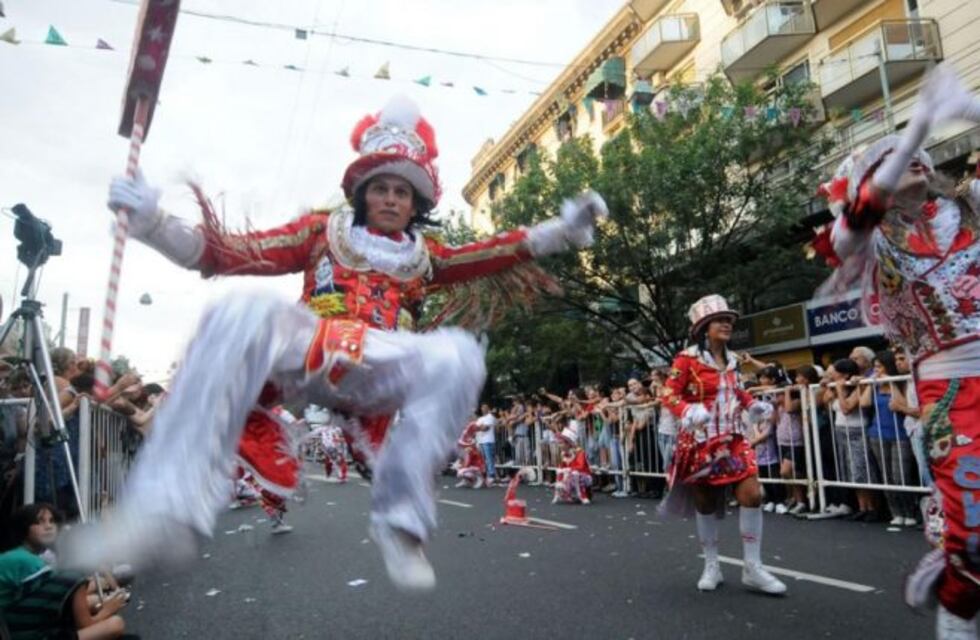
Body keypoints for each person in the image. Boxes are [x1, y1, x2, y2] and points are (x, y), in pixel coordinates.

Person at [67, 95, 606, 592]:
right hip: (312, 351)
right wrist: (154, 223)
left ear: (415, 201)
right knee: (240, 309)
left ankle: (402, 522)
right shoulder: (323, 232)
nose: (390, 198)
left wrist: (560, 231)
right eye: (381, 188)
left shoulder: (426, 255)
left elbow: (494, 250)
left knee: (460, 354)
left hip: (380, 366)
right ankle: (164, 509)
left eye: (401, 191)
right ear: (362, 192)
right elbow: (230, 251)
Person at [818, 64, 980, 636]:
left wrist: (967, 109)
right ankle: (956, 584)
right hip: (951, 391)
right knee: (973, 538)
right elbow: (857, 216)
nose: (910, 160)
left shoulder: (969, 208)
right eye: (888, 159)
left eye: (915, 156)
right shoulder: (868, 242)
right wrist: (915, 129)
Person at [660, 294, 786, 595]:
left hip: (734, 438)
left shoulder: (733, 361)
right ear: (704, 327)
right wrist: (687, 410)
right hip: (700, 441)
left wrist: (752, 404)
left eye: (729, 320)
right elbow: (668, 394)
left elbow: (736, 391)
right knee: (706, 502)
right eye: (719, 320)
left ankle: (752, 567)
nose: (727, 325)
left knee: (752, 494)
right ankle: (711, 564)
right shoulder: (686, 359)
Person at [0, 504, 129, 640]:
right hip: (14, 631)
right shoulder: (27, 561)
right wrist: (107, 610)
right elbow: (85, 624)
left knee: (91, 601)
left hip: (11, 623)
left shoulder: (22, 556)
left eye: (51, 521)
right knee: (115, 623)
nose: (49, 526)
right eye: (39, 522)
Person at [860, 350, 918, 527]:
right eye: (875, 367)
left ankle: (909, 512)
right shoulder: (876, 385)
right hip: (877, 434)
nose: (876, 370)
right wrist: (871, 383)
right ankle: (896, 512)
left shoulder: (900, 382)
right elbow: (864, 403)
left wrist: (891, 382)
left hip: (900, 434)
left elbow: (901, 404)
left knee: (901, 476)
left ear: (888, 367)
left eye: (879, 367)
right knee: (887, 477)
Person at [552, 428, 592, 505]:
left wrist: (568, 469)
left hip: (584, 476)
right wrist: (561, 471)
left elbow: (581, 467)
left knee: (575, 474)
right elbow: (561, 467)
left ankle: (583, 495)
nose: (559, 445)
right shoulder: (563, 453)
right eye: (559, 443)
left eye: (561, 443)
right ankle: (562, 495)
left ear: (568, 443)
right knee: (560, 473)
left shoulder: (579, 452)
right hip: (570, 475)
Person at [454, 422, 486, 489]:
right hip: (473, 467)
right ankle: (465, 481)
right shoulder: (466, 448)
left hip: (478, 468)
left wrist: (461, 466)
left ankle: (479, 478)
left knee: (460, 471)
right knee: (458, 466)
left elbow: (467, 462)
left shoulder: (470, 449)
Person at [474, 403, 497, 486]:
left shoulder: (490, 417)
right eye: (482, 408)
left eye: (485, 408)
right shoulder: (480, 418)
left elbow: (485, 428)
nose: (483, 409)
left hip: (488, 441)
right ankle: (486, 475)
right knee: (483, 460)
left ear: (488, 409)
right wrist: (480, 427)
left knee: (489, 459)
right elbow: (474, 428)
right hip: (480, 441)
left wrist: (479, 427)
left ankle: (492, 475)